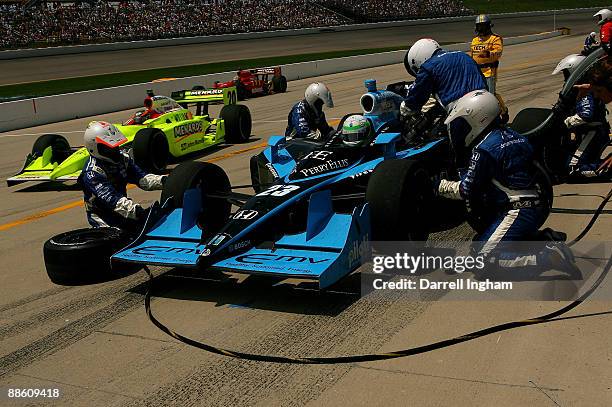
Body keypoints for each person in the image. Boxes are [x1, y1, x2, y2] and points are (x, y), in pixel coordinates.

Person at [435, 90, 577, 275]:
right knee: (480, 245)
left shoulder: (483, 149)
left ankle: (546, 259)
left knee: (486, 263)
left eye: (464, 122)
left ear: (479, 119)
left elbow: (467, 189)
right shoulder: (514, 135)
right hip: (537, 203)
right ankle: (541, 240)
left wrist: (440, 186)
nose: (462, 128)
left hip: (517, 209)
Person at [401, 38, 488, 165]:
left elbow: (415, 100)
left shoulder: (428, 67)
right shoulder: (463, 55)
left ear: (418, 59)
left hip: (463, 114)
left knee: (457, 158)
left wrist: (405, 108)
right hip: (487, 102)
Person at [79, 121, 166, 230]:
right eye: (109, 148)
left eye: (115, 146)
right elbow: (113, 200)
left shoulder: (123, 160)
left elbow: (143, 179)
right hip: (104, 219)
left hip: (123, 212)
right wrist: (138, 212)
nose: (114, 150)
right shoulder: (93, 173)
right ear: (95, 148)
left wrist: (165, 181)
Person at [552, 54, 611, 181]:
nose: (566, 78)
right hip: (596, 132)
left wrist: (564, 123)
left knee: (573, 169)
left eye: (567, 74)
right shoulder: (590, 87)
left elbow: (586, 115)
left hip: (593, 133)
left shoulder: (585, 92)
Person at [470, 14, 503, 95]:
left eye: (483, 26)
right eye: (479, 26)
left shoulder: (495, 38)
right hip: (477, 74)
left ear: (489, 26)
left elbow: (498, 53)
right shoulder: (474, 40)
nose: (481, 29)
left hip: (489, 73)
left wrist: (484, 55)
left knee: (491, 95)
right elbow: (472, 56)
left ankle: (501, 107)